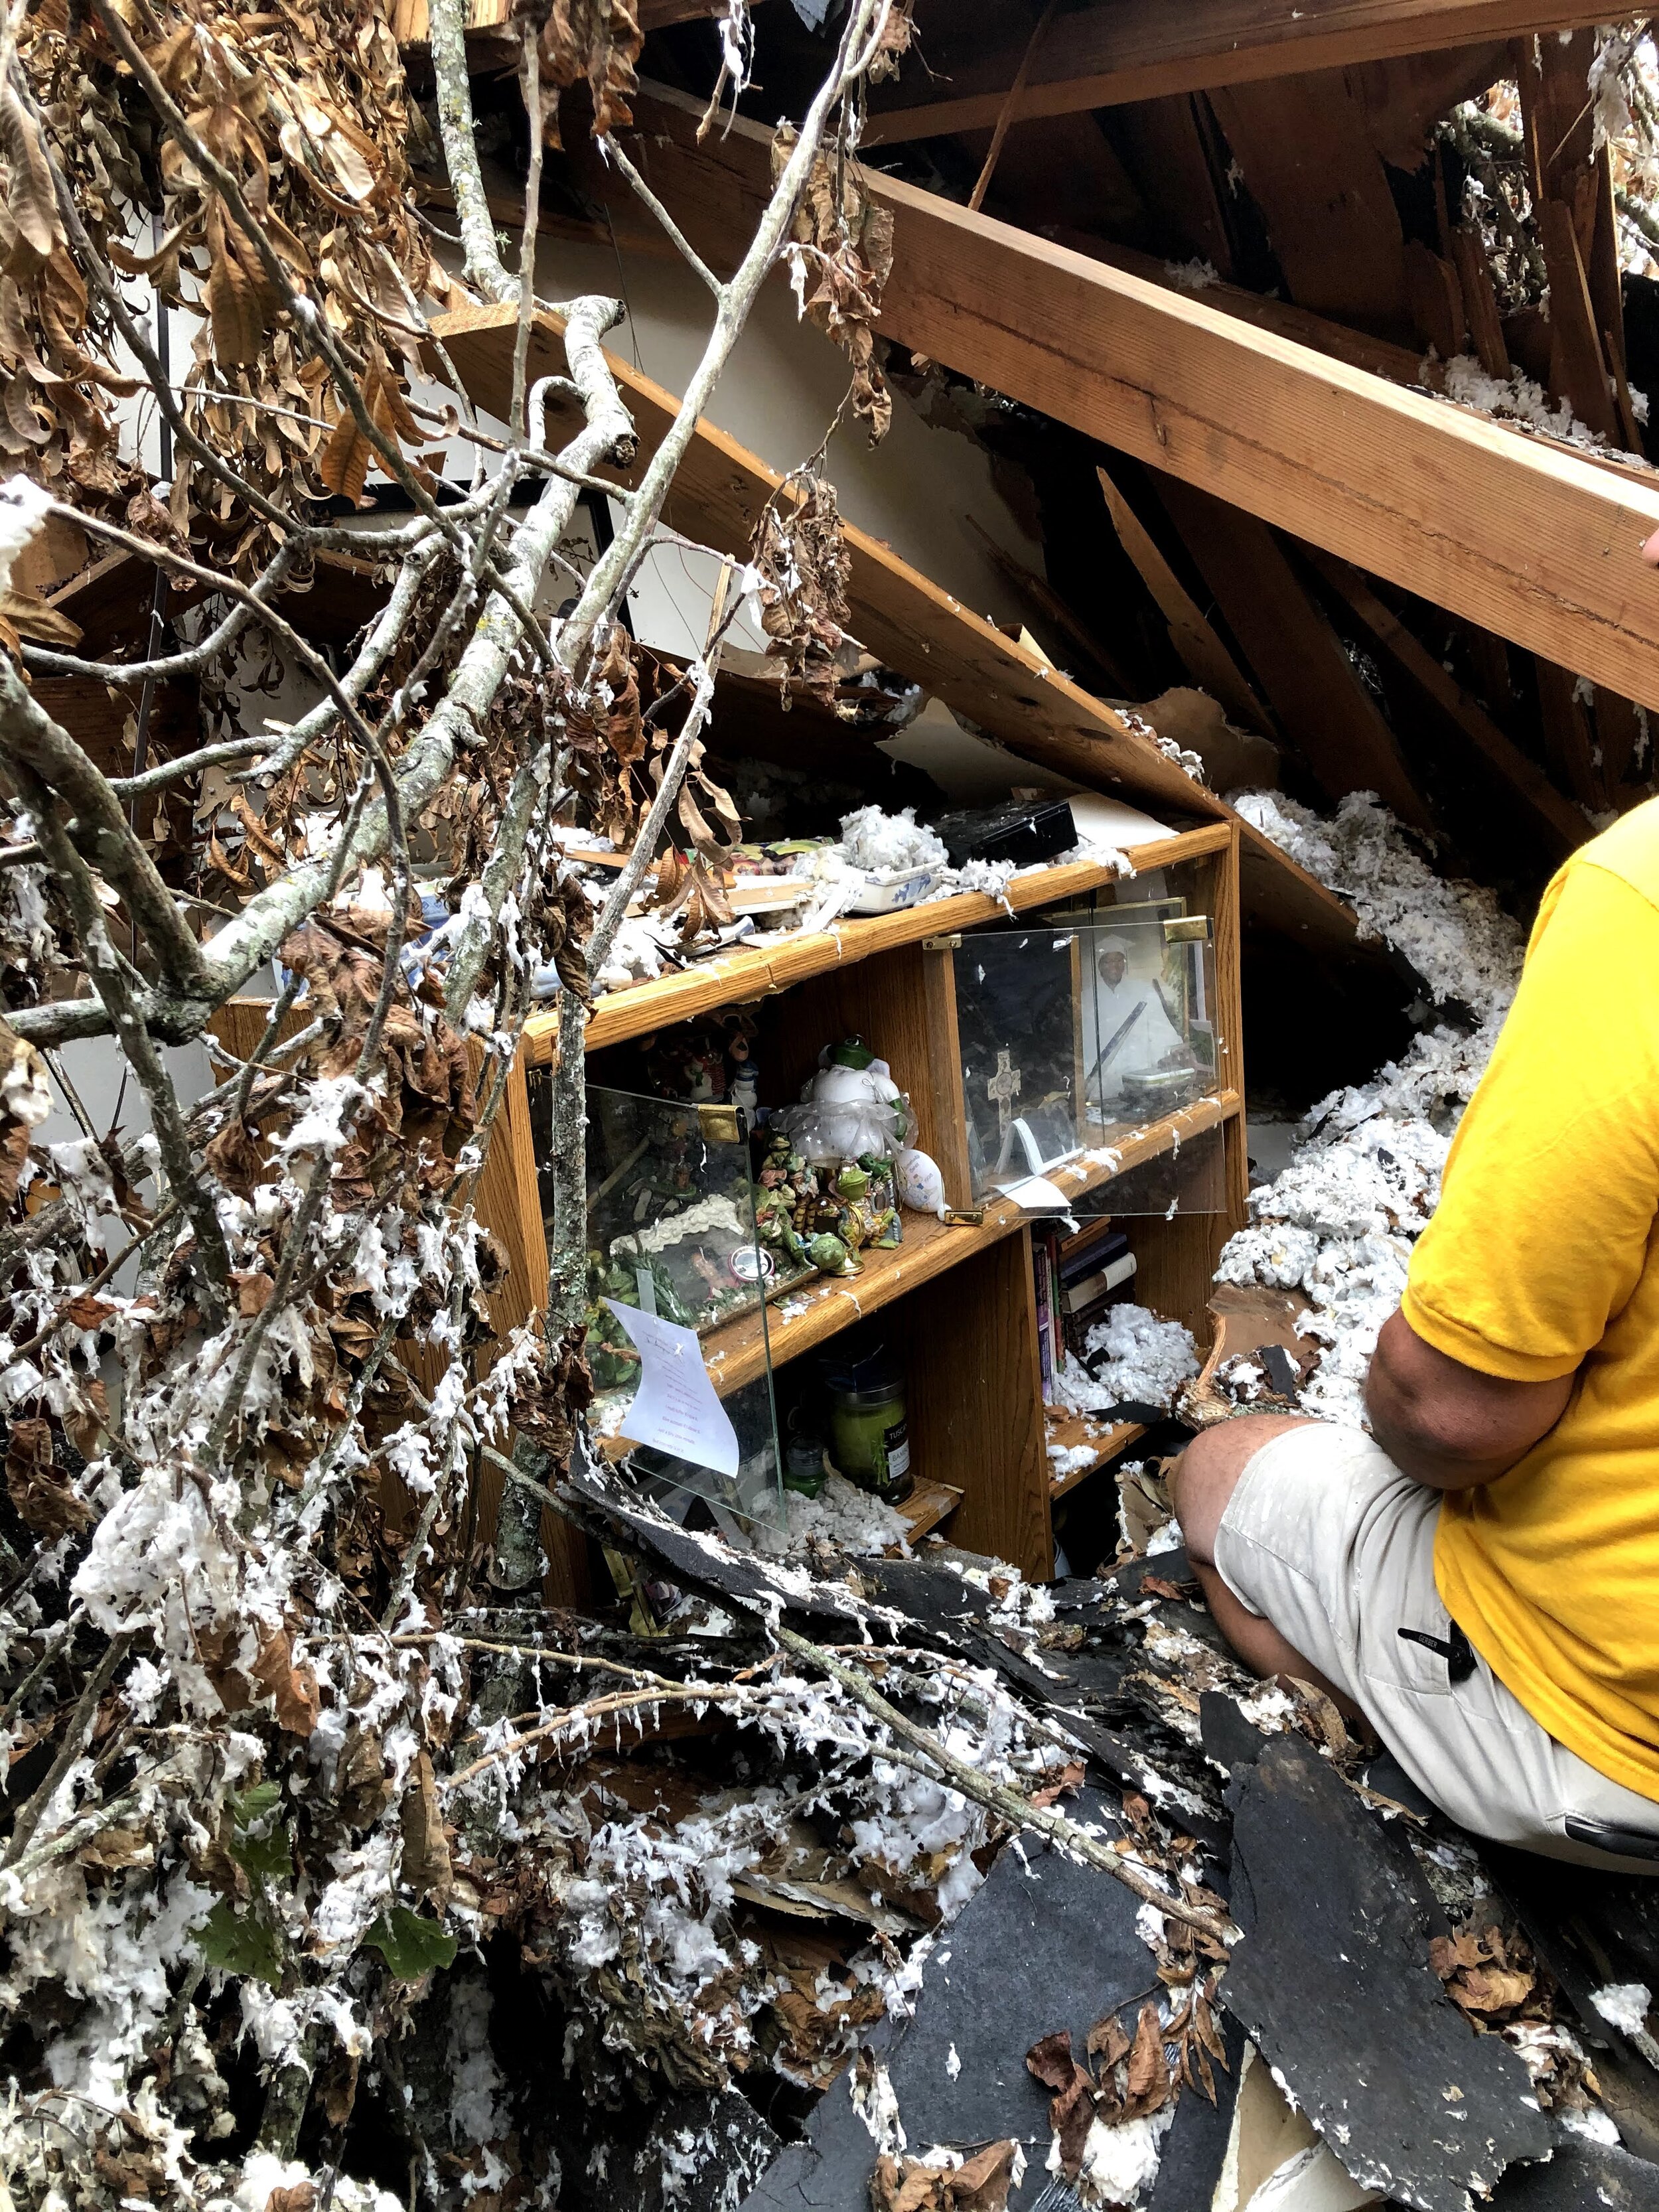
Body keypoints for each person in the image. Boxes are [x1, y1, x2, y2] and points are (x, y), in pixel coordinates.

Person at [1172, 803, 1659, 1870]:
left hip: (1610, 1738)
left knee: (1213, 1470)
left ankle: (1415, 1763)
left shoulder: (1641, 901)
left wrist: (1393, 1383)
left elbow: (1448, 1413)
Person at [1083, 934, 1190, 1110]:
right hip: (1104, 1080)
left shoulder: (1142, 990)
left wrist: (1170, 1052)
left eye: (1119, 960)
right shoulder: (1087, 997)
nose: (1115, 966)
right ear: (1100, 966)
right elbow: (1085, 1041)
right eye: (1108, 961)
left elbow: (1159, 1026)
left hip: (1138, 1073)